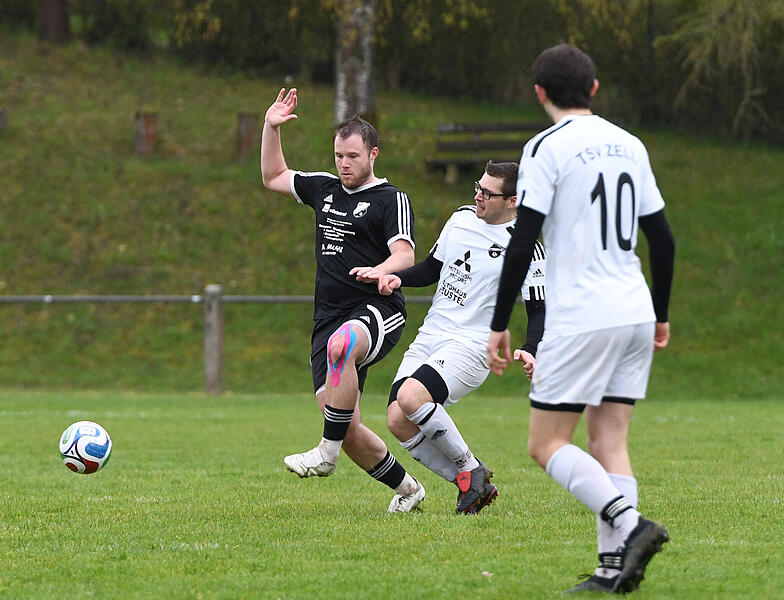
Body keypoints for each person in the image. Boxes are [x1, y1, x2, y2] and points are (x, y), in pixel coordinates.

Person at [485, 44, 675, 594]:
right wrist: (660, 313)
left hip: (583, 314)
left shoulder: (546, 147)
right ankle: (613, 573)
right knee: (608, 441)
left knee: (545, 444)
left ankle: (631, 525)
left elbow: (523, 238)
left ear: (539, 93)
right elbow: (660, 236)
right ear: (593, 89)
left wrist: (500, 320)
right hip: (634, 308)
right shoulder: (630, 144)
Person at [260, 88, 425, 513]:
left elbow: (405, 253)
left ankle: (324, 456)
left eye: (352, 156)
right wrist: (270, 127)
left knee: (342, 347)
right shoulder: (325, 190)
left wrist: (383, 270)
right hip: (327, 317)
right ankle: (408, 490)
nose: (344, 164)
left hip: (377, 311)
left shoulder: (391, 199)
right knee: (345, 426)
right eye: (338, 156)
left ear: (373, 154)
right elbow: (273, 176)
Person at [366, 161, 546, 514]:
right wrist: (399, 278)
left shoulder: (526, 246)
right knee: (396, 420)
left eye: (488, 193)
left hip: (474, 344)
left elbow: (539, 310)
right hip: (432, 333)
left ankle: (472, 468)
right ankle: (470, 480)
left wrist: (530, 349)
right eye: (477, 187)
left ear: (512, 201)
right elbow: (433, 268)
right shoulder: (461, 218)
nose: (478, 196)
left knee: (411, 396)